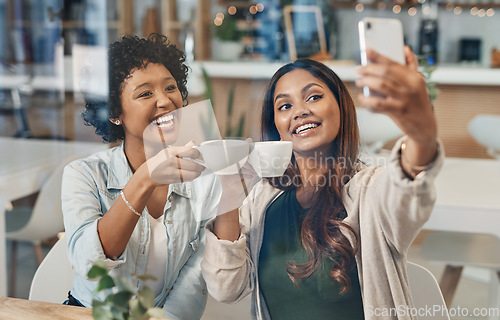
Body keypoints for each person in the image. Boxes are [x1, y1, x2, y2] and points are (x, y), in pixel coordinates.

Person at [201, 47, 444, 320]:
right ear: (276, 125)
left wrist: (420, 130)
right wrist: (230, 193)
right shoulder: (262, 199)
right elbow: (226, 289)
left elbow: (409, 185)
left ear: (341, 106)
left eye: (314, 97)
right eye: (285, 106)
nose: (300, 111)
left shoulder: (369, 191)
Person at [61, 34, 220, 320]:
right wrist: (145, 178)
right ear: (113, 112)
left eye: (171, 88)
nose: (165, 101)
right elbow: (89, 265)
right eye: (145, 93)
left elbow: (193, 283)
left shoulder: (204, 181)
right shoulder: (84, 175)